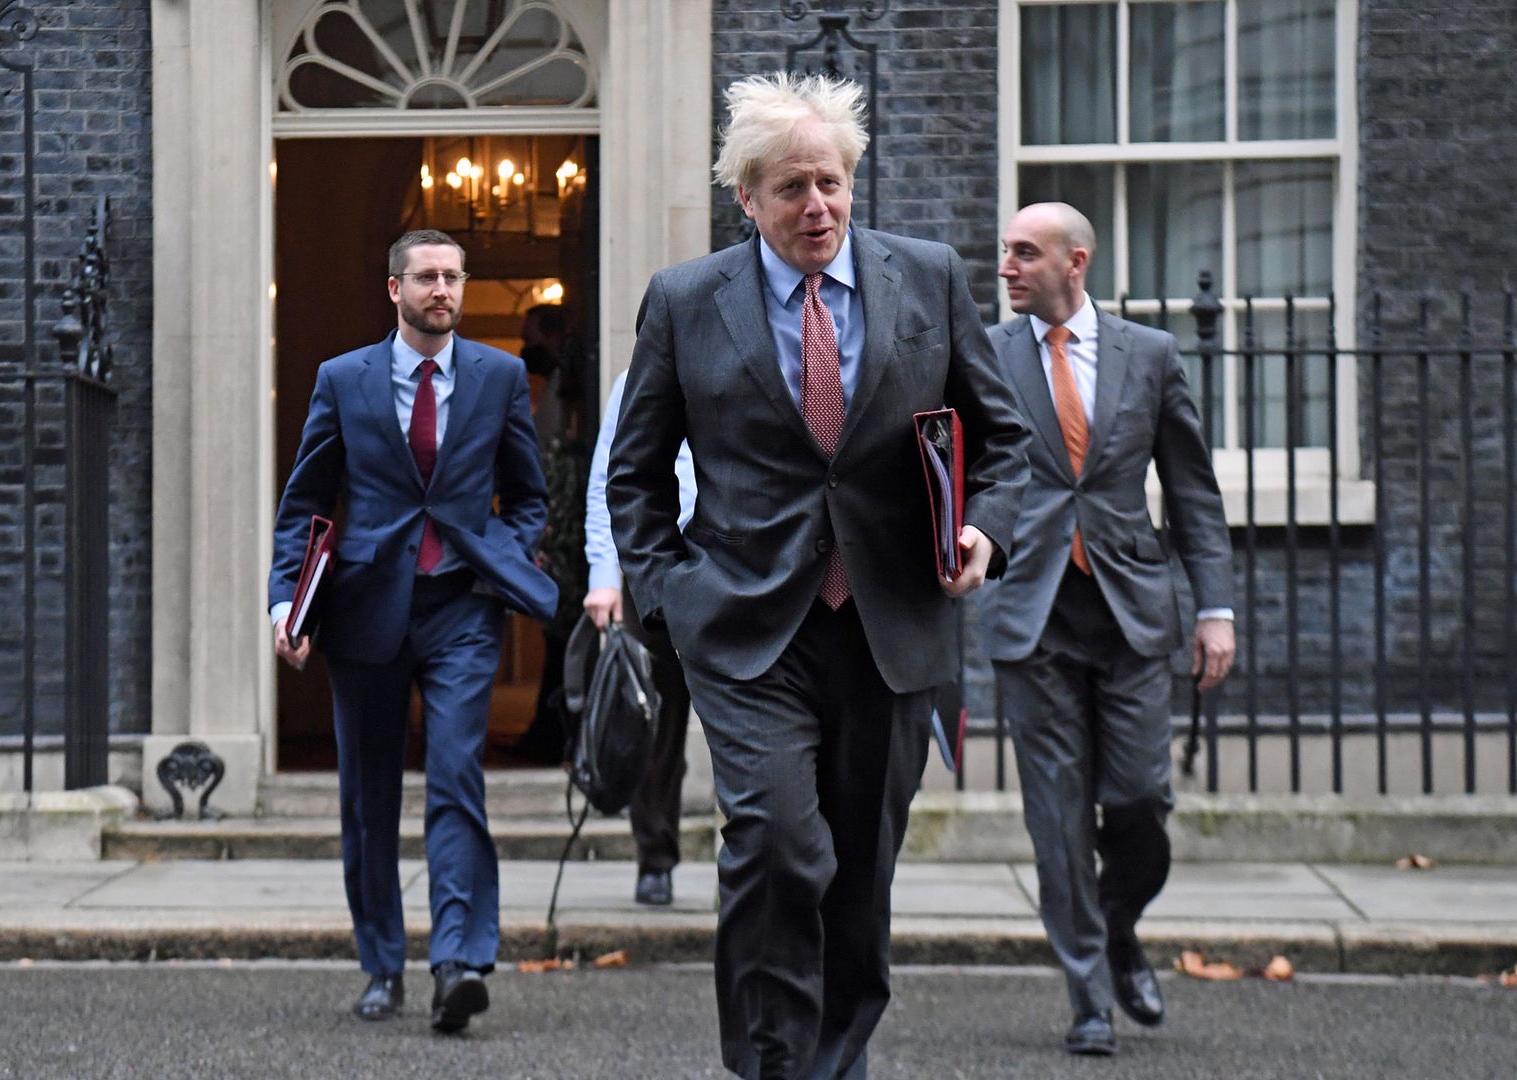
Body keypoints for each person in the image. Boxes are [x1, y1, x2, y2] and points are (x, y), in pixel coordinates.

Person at [607, 73, 1032, 1079]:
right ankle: (771, 1062)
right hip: (751, 630)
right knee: (776, 847)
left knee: (857, 875)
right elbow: (632, 474)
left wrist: (984, 534)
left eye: (833, 183)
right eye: (793, 187)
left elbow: (1005, 443)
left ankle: (834, 1059)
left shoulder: (925, 278)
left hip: (892, 627)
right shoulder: (683, 301)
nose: (818, 207)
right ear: (746, 197)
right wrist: (670, 596)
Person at [267, 229, 556, 1033]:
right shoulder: (343, 379)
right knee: (367, 798)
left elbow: (527, 492)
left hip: (463, 606)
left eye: (453, 276)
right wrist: (287, 604)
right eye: (427, 276)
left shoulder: (499, 377)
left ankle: (459, 961)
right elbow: (307, 503)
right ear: (395, 288)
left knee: (458, 777)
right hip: (366, 610)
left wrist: (505, 552)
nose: (443, 289)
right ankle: (381, 963)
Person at [983, 202, 1237, 1056]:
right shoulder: (986, 355)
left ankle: (1119, 925)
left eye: (1026, 253)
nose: (1009, 266)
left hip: (1131, 614)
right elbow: (961, 468)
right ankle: (1089, 994)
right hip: (1033, 618)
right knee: (1056, 822)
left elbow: (1195, 493)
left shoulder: (1151, 355)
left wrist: (1215, 609)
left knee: (1140, 805)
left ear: (1075, 262)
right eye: (1006, 252)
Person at [583, 366, 697, 906]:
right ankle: (655, 856)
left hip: (745, 567)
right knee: (655, 722)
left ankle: (763, 860)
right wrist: (604, 578)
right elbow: (610, 474)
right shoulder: (636, 377)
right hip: (655, 572)